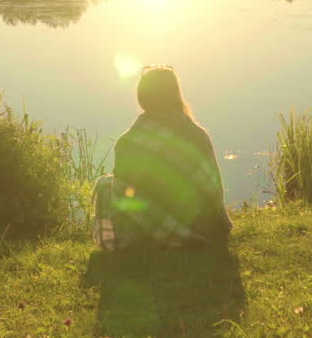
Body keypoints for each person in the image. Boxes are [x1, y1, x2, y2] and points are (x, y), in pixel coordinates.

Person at [92, 66, 232, 250]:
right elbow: (211, 191)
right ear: (175, 95)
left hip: (150, 235)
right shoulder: (197, 135)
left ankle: (129, 241)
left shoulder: (129, 142)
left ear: (142, 98)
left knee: (105, 186)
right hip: (206, 228)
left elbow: (123, 198)